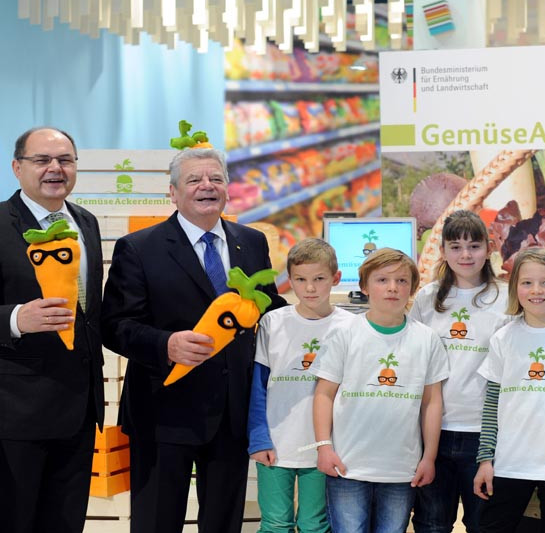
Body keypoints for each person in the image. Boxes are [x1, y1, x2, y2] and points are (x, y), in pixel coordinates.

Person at [101, 147, 286, 533]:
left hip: (232, 411)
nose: (207, 186)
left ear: (228, 189)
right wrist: (165, 344)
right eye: (194, 180)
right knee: (156, 520)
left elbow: (269, 308)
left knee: (223, 522)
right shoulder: (138, 247)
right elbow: (116, 324)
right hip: (162, 410)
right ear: (172, 192)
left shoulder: (251, 243)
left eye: (216, 179)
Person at [0, 127, 104, 533]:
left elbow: (90, 314)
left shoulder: (86, 222)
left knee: (65, 523)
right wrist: (14, 318)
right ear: (17, 167)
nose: (55, 169)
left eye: (65, 160)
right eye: (42, 160)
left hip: (79, 411)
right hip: (16, 413)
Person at [310, 248, 449, 533]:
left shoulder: (427, 339)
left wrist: (429, 457)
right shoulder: (344, 334)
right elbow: (324, 394)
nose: (392, 288)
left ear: (412, 287)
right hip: (346, 465)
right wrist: (324, 447)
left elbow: (432, 402)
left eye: (401, 281)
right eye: (382, 280)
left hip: (401, 468)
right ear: (364, 286)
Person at [473, 248, 545, 533]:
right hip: (508, 462)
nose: (536, 290)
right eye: (527, 283)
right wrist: (486, 458)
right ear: (515, 288)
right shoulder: (503, 337)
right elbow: (492, 404)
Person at [408, 210, 509, 533]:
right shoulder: (427, 297)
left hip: (486, 432)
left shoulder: (506, 297)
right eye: (456, 246)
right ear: (443, 251)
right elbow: (413, 361)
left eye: (474, 246)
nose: (465, 255)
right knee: (431, 523)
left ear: (488, 248)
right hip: (432, 431)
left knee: (483, 523)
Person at [247, 238, 352, 533]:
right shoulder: (272, 323)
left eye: (319, 279)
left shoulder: (351, 326)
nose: (309, 288)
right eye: (301, 280)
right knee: (275, 523)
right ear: (289, 280)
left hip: (326, 447)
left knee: (314, 524)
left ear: (335, 278)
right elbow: (258, 387)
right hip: (276, 445)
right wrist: (258, 437)